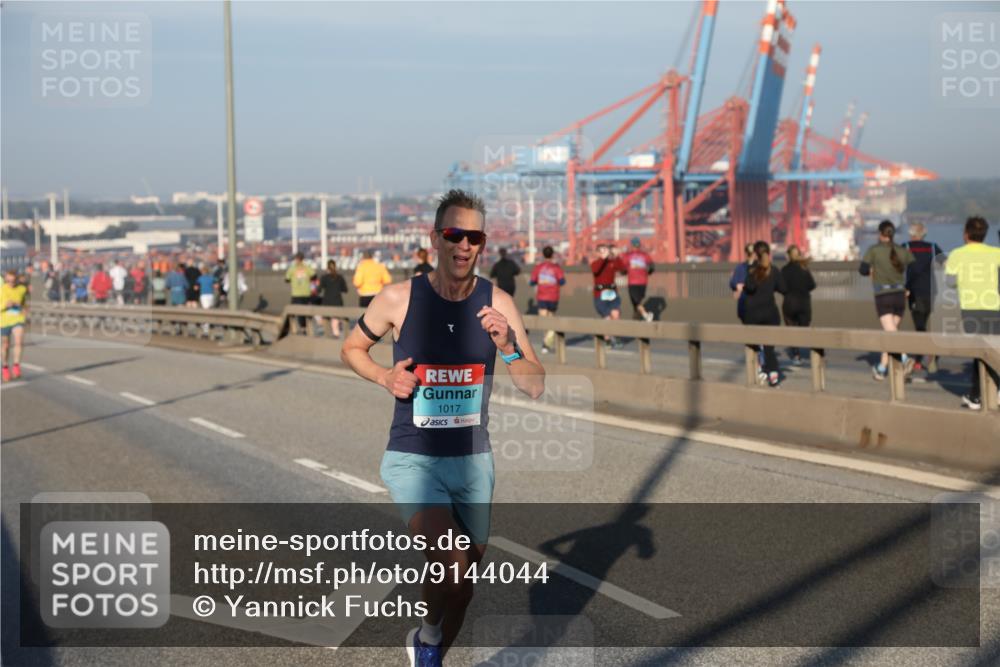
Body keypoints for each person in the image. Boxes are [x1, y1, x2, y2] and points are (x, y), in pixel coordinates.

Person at [340, 189, 544, 666]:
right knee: (451, 569)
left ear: (483, 243)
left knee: (464, 587)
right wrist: (385, 376)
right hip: (414, 456)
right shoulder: (397, 298)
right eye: (454, 234)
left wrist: (509, 345)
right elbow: (351, 348)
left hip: (473, 461)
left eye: (474, 236)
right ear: (435, 238)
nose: (464, 245)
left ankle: (427, 645)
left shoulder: (499, 304)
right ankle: (429, 637)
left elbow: (535, 385)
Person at [945, 216, 1000, 410]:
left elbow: (950, 283)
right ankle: (986, 392)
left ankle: (977, 396)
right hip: (994, 307)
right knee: (993, 350)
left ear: (966, 234)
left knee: (979, 352)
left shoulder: (957, 254)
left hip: (970, 308)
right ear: (984, 234)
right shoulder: (996, 253)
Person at [860, 220, 915, 380]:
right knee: (890, 334)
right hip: (899, 296)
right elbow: (913, 268)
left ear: (880, 234)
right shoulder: (902, 250)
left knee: (891, 333)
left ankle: (905, 358)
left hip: (883, 297)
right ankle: (882, 369)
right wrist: (908, 287)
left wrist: (872, 269)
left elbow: (862, 270)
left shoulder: (874, 250)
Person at [904, 222, 947, 378]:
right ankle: (924, 355)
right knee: (925, 323)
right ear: (924, 234)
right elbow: (945, 262)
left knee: (920, 326)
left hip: (914, 292)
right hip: (932, 292)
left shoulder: (906, 246)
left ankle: (924, 356)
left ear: (911, 234)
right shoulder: (933, 247)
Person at [744, 241, 787, 386]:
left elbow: (749, 288)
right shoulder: (773, 270)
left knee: (754, 344)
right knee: (769, 346)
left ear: (755, 254)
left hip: (754, 315)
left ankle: (761, 368)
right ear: (769, 253)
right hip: (770, 314)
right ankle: (773, 373)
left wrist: (750, 266)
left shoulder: (752, 270)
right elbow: (783, 289)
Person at [780, 245, 816, 364]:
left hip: (790, 303)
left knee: (792, 330)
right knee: (804, 328)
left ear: (788, 256)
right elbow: (812, 285)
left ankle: (796, 355)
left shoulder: (784, 270)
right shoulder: (804, 268)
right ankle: (814, 352)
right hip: (804, 304)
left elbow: (782, 288)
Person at [529, 246, 566, 354]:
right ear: (552, 254)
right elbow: (562, 281)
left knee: (544, 321)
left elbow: (532, 282)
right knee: (551, 320)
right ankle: (547, 344)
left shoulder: (538, 267)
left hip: (541, 297)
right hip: (553, 297)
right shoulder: (556, 267)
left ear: (543, 254)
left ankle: (545, 344)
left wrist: (541, 282)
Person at [590, 243, 627, 348]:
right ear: (597, 253)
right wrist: (603, 258)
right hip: (600, 294)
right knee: (607, 318)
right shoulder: (595, 263)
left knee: (616, 315)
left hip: (612, 293)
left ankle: (616, 337)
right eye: (601, 251)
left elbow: (623, 270)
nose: (604, 253)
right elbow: (596, 270)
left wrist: (616, 256)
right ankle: (607, 340)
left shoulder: (612, 262)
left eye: (605, 250)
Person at [1, 269, 28, 382]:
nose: (11, 283)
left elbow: (24, 304)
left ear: (17, 279)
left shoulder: (22, 289)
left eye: (14, 281)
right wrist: (5, 305)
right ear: (6, 279)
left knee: (18, 341)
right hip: (4, 320)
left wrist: (24, 310)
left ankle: (16, 365)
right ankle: (5, 366)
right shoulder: (1, 290)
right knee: (6, 345)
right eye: (9, 281)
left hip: (18, 319)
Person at [621, 237, 655, 321]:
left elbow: (623, 269)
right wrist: (648, 272)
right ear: (639, 245)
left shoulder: (628, 256)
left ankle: (645, 315)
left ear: (631, 245)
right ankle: (636, 319)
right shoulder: (645, 255)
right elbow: (652, 266)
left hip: (632, 282)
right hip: (643, 281)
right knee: (638, 301)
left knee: (636, 301)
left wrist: (624, 272)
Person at [286, 252, 316, 331]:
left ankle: (297, 328)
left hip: (296, 293)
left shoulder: (292, 268)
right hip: (306, 293)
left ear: (296, 259)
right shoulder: (307, 267)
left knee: (293, 312)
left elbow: (287, 279)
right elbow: (314, 276)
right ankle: (306, 328)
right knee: (306, 311)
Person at [319, 259, 348, 337]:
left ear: (327, 267)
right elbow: (345, 290)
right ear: (335, 266)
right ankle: (336, 335)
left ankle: (327, 337)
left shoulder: (324, 277)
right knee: (335, 321)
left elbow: (319, 290)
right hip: (337, 301)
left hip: (327, 301)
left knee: (326, 320)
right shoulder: (340, 277)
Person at [729, 243, 756, 323]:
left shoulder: (759, 268)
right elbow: (732, 282)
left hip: (754, 306)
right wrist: (737, 286)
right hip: (745, 305)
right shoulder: (740, 267)